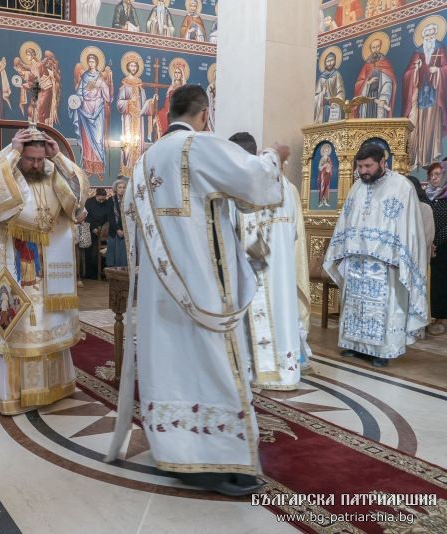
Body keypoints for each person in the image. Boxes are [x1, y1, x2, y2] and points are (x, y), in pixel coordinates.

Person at [106, 85, 289, 496]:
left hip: (158, 298)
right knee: (213, 369)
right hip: (203, 293)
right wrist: (276, 155)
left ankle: (176, 450)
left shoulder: (142, 163)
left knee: (169, 369)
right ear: (205, 114)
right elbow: (254, 183)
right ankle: (221, 463)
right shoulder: (198, 147)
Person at [0, 128, 89, 415]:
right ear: (19, 154)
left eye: (40, 158)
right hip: (13, 266)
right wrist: (12, 152)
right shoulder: (4, 168)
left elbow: (79, 195)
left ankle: (52, 388)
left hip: (50, 271)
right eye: (30, 159)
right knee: (15, 328)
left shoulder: (52, 171)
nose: (36, 165)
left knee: (50, 327)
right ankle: (12, 394)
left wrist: (58, 156)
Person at [324, 144, 428, 367]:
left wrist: (398, 254)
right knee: (354, 304)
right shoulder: (357, 188)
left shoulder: (402, 187)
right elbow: (346, 219)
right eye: (360, 166)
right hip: (356, 261)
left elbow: (409, 228)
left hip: (386, 263)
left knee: (385, 306)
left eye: (368, 166)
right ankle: (355, 345)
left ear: (383, 162)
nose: (363, 171)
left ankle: (383, 351)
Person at [229, 132, 309, 391]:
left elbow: (230, 230)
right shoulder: (288, 186)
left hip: (253, 268)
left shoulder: (240, 187)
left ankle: (255, 369)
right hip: (282, 269)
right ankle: (286, 373)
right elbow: (296, 231)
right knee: (283, 314)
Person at [402, 22, 447, 168]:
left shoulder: (440, 48)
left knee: (431, 125)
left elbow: (446, 67)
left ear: (436, 35)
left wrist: (438, 71)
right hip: (420, 96)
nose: (430, 37)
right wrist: (416, 69)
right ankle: (418, 158)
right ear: (423, 36)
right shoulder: (418, 51)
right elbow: (407, 74)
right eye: (427, 35)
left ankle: (431, 157)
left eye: (432, 34)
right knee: (419, 126)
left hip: (434, 94)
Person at [426, 161, 447, 335]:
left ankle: (441, 318)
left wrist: (435, 242)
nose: (434, 178)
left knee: (441, 282)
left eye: (437, 174)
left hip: (443, 246)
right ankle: (430, 316)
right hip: (427, 246)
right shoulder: (427, 196)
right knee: (430, 281)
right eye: (431, 175)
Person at [354, 36, 396, 119]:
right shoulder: (366, 65)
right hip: (367, 99)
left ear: (380, 47)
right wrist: (368, 83)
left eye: (377, 47)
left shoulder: (385, 63)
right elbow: (359, 83)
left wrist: (383, 99)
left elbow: (388, 82)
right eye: (373, 47)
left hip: (379, 98)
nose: (376, 49)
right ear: (370, 49)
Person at [83, 187, 110, 278]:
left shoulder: (107, 203)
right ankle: (91, 274)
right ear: (96, 196)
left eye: (103, 199)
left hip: (103, 231)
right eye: (100, 199)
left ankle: (102, 272)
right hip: (90, 229)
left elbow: (108, 217)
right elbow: (86, 217)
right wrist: (93, 228)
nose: (102, 201)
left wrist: (104, 228)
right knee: (91, 252)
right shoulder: (89, 202)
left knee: (103, 252)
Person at [314, 51, 346, 123]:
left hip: (334, 104)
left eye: (332, 60)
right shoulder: (321, 78)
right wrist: (322, 92)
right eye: (328, 61)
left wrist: (335, 101)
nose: (330, 63)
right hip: (323, 106)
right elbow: (316, 96)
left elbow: (341, 92)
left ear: (334, 62)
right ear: (325, 63)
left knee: (333, 109)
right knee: (325, 110)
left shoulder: (337, 75)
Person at [106, 178, 127, 268]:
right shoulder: (110, 200)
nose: (122, 189)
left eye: (124, 187)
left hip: (125, 231)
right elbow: (110, 217)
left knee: (123, 255)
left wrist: (124, 230)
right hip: (114, 231)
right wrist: (118, 230)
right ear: (116, 189)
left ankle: (123, 274)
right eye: (120, 187)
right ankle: (113, 275)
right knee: (112, 255)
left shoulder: (128, 200)